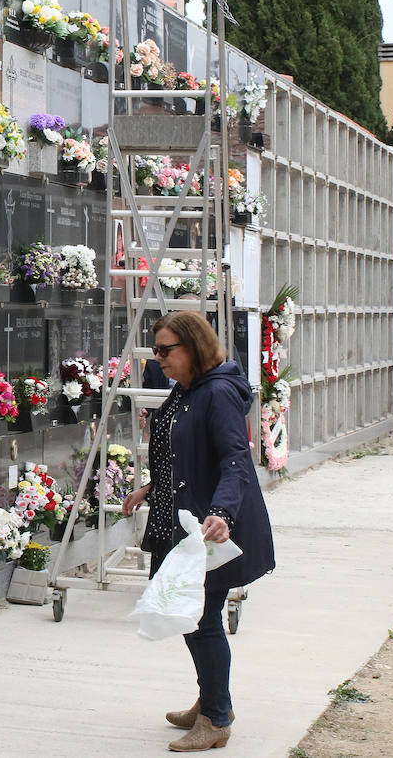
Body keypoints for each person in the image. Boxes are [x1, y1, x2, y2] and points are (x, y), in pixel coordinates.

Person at [121, 311, 275, 752]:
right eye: (157, 350)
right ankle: (209, 699)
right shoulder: (189, 389)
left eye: (167, 350)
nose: (159, 359)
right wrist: (154, 485)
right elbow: (184, 451)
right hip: (184, 519)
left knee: (203, 620)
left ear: (195, 348)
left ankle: (217, 717)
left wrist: (223, 511)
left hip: (210, 528)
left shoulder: (219, 393)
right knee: (193, 617)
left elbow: (234, 459)